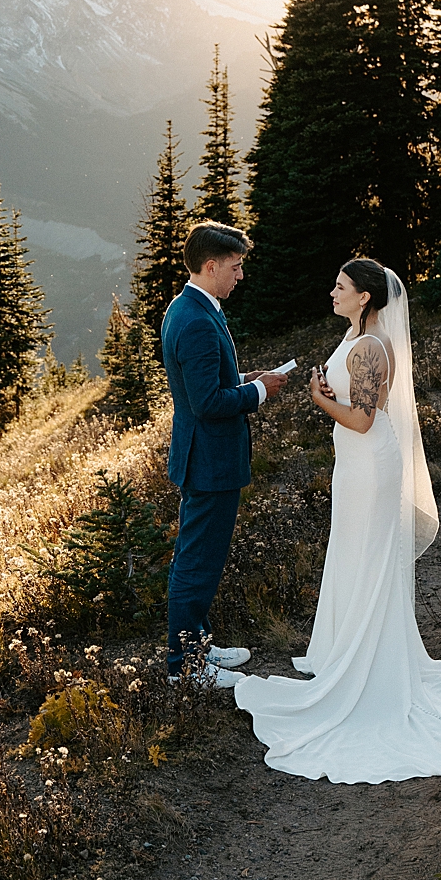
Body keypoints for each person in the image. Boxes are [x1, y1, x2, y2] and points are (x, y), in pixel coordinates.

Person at [233, 258, 441, 783]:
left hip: (370, 464)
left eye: (341, 286)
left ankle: (371, 670)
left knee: (369, 560)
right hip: (353, 465)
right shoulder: (353, 338)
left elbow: (365, 420)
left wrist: (321, 400)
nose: (333, 291)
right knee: (353, 556)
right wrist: (328, 389)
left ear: (365, 297)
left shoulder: (371, 347)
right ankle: (350, 651)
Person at [162, 222, 287, 685]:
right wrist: (258, 391)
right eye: (235, 268)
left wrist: (242, 381)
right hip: (209, 461)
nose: (240, 276)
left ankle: (200, 647)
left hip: (209, 457)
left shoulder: (193, 306)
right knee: (196, 561)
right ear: (210, 266)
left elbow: (210, 387)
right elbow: (207, 404)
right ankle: (185, 668)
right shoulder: (194, 319)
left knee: (204, 557)